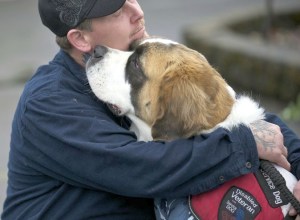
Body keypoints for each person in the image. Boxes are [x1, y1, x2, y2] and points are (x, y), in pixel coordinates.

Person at [1, 0, 300, 219]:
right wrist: (246, 144)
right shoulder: (47, 103)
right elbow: (142, 168)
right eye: (117, 10)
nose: (137, 11)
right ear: (80, 39)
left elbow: (225, 111)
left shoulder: (144, 55)